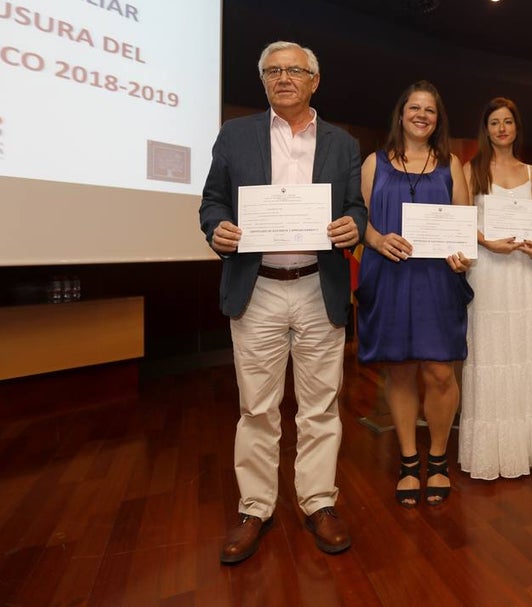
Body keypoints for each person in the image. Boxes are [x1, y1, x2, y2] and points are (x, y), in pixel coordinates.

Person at [199, 41, 366, 563]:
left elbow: (357, 208)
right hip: (260, 286)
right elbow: (213, 201)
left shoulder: (342, 143)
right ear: (264, 80)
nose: (283, 78)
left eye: (294, 70)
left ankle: (318, 502)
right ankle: (255, 507)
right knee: (257, 406)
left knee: (320, 407)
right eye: (273, 71)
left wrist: (352, 226)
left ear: (315, 80)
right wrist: (216, 229)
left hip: (320, 286)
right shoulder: (235, 134)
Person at [356, 81, 473, 508]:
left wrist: (463, 256)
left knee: (441, 372)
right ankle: (409, 460)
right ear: (401, 114)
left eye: (430, 109)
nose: (422, 114)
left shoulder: (451, 164)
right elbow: (358, 220)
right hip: (390, 276)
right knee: (401, 370)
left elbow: (463, 224)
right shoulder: (373, 163)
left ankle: (438, 458)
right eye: (414, 107)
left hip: (438, 280)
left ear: (437, 119)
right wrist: (374, 240)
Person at [458, 98, 532, 479]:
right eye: (494, 122)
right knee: (490, 356)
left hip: (523, 273)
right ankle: (491, 455)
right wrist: (486, 242)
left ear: (517, 127)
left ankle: (528, 450)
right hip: (488, 273)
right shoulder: (472, 169)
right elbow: (463, 221)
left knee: (527, 354)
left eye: (508, 122)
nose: (501, 128)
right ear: (485, 129)